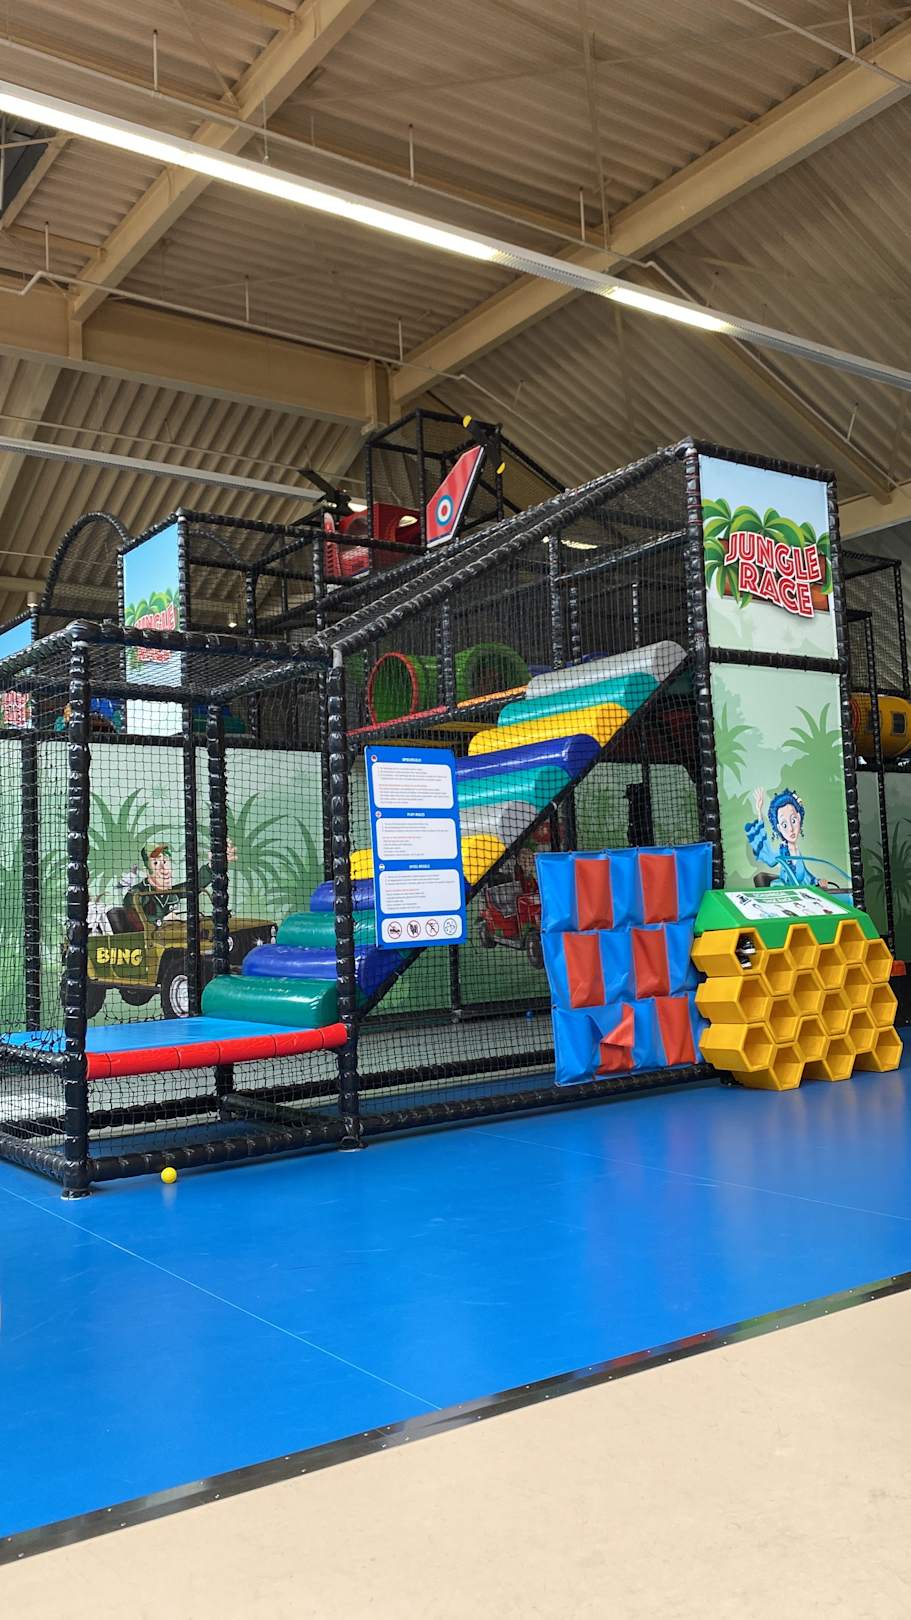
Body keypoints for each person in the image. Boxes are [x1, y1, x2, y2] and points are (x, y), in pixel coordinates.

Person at [125, 840, 236, 928]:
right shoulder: (136, 894)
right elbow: (135, 921)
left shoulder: (173, 893)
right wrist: (161, 920)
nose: (164, 869)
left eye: (165, 862)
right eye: (156, 863)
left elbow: (195, 886)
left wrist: (215, 864)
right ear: (146, 871)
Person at [744, 788, 825, 888]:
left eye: (793, 820)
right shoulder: (782, 852)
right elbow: (770, 858)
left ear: (799, 818)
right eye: (784, 825)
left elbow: (805, 876)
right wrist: (759, 812)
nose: (791, 829)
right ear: (779, 828)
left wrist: (817, 881)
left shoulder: (797, 852)